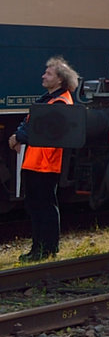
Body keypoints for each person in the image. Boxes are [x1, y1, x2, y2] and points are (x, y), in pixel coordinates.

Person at [7, 56, 78, 262]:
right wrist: (19, 134)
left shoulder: (60, 102)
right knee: (35, 205)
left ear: (60, 80)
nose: (43, 76)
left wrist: (18, 137)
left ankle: (47, 248)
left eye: (48, 73)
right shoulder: (47, 100)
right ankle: (38, 247)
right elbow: (28, 122)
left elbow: (42, 131)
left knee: (44, 206)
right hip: (36, 161)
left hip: (46, 164)